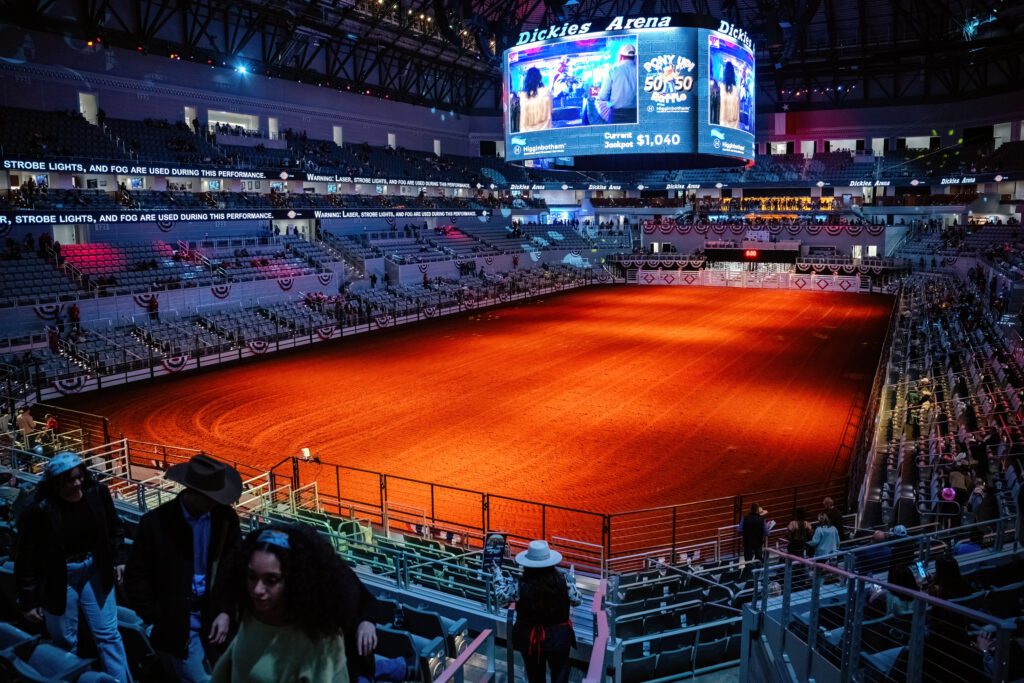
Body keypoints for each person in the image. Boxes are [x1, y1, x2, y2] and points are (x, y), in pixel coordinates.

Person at [212, 523, 385, 683]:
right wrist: (225, 611)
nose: (257, 589)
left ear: (297, 580)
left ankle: (400, 667)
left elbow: (366, 601)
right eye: (251, 576)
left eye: (271, 580)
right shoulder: (252, 615)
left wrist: (367, 621)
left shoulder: (323, 643)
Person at [125, 454, 244, 682]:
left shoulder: (226, 519)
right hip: (176, 624)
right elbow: (135, 577)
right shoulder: (156, 523)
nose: (214, 502)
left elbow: (233, 570)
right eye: (210, 497)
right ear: (191, 491)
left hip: (214, 617)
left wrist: (226, 611)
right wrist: (159, 617)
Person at [15, 452, 131, 682]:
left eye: (79, 477)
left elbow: (114, 527)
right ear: (56, 482)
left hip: (95, 570)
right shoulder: (38, 508)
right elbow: (26, 556)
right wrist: (29, 600)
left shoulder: (96, 492)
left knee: (109, 634)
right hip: (59, 576)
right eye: (70, 480)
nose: (77, 483)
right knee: (66, 640)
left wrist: (118, 558)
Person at [493, 540, 581, 683]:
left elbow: (502, 598)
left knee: (535, 677)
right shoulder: (564, 580)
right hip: (559, 637)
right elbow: (577, 601)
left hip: (529, 639)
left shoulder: (520, 584)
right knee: (560, 673)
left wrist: (497, 574)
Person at [591, 44, 638, 124]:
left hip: (617, 115)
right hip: (636, 114)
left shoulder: (613, 70)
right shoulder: (640, 71)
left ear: (621, 57)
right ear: (634, 57)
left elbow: (603, 96)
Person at [518, 67, 553, 133]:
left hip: (528, 134)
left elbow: (523, 117)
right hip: (545, 132)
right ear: (540, 78)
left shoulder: (523, 95)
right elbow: (551, 112)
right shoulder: (546, 92)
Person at [719, 60, 740, 128]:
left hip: (723, 121)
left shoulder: (721, 87)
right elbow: (737, 108)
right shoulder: (736, 89)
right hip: (734, 122)